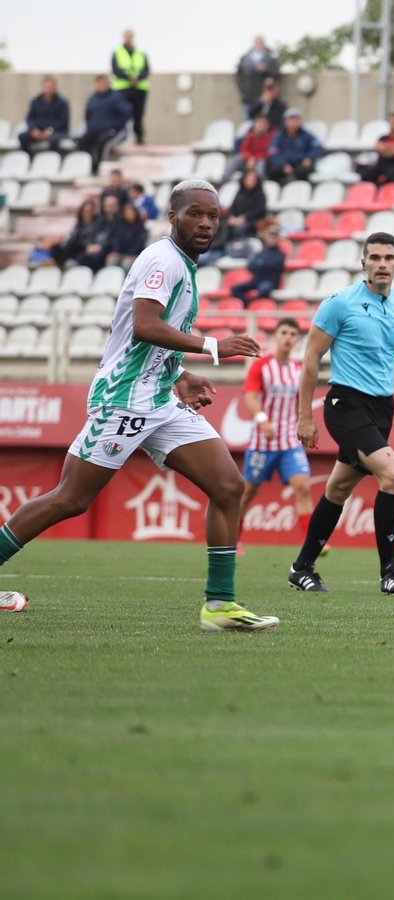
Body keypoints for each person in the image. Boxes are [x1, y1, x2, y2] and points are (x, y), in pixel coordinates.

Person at [0, 180, 277, 629]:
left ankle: (220, 606)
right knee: (70, 499)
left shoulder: (182, 265)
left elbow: (148, 339)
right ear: (172, 216)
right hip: (125, 397)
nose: (205, 222)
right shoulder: (162, 259)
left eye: (213, 215)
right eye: (195, 213)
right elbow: (145, 325)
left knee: (229, 487)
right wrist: (212, 346)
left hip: (159, 397)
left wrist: (180, 375)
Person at [290, 231, 394, 596]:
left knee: (338, 489)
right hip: (345, 404)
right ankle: (390, 573)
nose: (382, 264)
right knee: (393, 474)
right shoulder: (340, 304)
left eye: (389, 257)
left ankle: (301, 567)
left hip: (382, 408)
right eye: (375, 257)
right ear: (363, 263)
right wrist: (304, 416)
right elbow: (311, 359)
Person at [239, 318, 314, 552]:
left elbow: (303, 403)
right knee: (249, 491)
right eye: (284, 332)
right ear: (275, 337)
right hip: (263, 442)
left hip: (290, 441)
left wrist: (308, 423)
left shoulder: (299, 370)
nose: (288, 337)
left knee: (302, 486)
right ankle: (233, 538)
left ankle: (311, 544)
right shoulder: (261, 365)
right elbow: (250, 397)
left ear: (297, 340)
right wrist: (262, 420)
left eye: (293, 334)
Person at [78, 75, 133, 174]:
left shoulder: (116, 97)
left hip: (112, 130)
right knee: (82, 141)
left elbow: (127, 113)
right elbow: (88, 115)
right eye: (99, 83)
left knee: (103, 142)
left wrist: (115, 125)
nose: (101, 86)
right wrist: (91, 126)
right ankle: (90, 164)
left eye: (103, 83)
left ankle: (100, 167)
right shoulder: (92, 98)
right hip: (95, 130)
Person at [111, 30, 150, 144]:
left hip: (139, 88)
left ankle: (139, 138)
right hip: (122, 88)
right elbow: (115, 69)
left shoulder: (141, 51)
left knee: (138, 115)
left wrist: (138, 78)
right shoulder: (117, 51)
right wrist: (129, 79)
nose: (128, 38)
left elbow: (146, 69)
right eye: (126, 36)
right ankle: (121, 138)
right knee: (123, 114)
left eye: (130, 36)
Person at [267, 111, 323, 183]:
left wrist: (309, 158)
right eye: (290, 120)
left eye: (295, 120)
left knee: (303, 171)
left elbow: (318, 146)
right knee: (272, 170)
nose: (293, 122)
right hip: (285, 164)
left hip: (300, 163)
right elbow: (273, 151)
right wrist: (284, 164)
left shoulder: (306, 135)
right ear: (285, 122)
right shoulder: (279, 136)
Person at [235, 37, 280, 122]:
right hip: (248, 95)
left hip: (264, 96)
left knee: (265, 121)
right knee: (248, 121)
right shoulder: (245, 58)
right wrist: (243, 89)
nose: (259, 45)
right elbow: (239, 76)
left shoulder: (270, 58)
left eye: (261, 43)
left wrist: (266, 70)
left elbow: (276, 73)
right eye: (257, 42)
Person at [24, 77, 69, 156]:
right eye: (46, 87)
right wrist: (34, 129)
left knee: (54, 139)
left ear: (55, 88)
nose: (48, 89)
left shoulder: (62, 103)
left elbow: (63, 121)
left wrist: (50, 130)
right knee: (23, 136)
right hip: (38, 131)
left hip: (56, 131)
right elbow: (29, 118)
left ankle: (51, 161)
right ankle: (29, 159)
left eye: (50, 87)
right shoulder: (35, 101)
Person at [363, 112, 394, 185]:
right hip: (382, 165)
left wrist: (386, 150)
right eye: (392, 122)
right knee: (366, 174)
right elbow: (377, 148)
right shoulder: (383, 138)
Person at [226, 115, 276, 183]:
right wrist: (250, 158)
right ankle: (222, 183)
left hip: (265, 161)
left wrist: (255, 158)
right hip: (249, 161)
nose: (260, 125)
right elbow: (244, 149)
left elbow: (270, 152)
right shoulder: (250, 136)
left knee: (261, 163)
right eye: (258, 123)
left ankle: (258, 184)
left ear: (267, 125)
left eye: (263, 123)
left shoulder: (273, 136)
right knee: (236, 159)